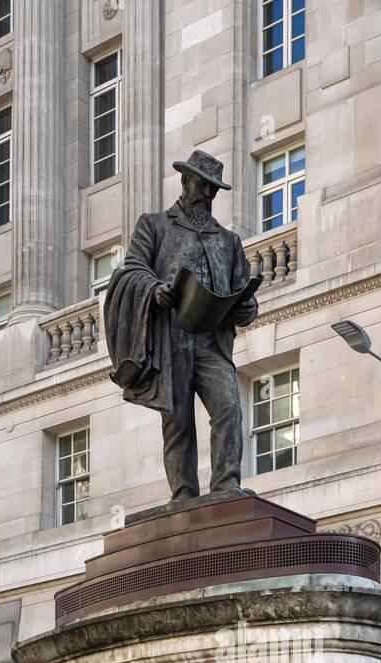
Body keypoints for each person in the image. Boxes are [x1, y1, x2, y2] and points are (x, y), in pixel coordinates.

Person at [102, 149, 260, 502]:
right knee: (177, 422)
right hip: (170, 338)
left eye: (213, 190)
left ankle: (225, 485)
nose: (207, 195)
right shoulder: (154, 225)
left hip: (210, 341)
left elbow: (242, 294)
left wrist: (246, 307)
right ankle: (184, 495)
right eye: (203, 186)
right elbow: (130, 271)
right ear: (186, 181)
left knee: (229, 406)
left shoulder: (228, 241)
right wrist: (155, 291)